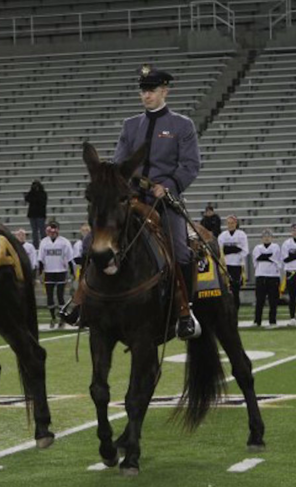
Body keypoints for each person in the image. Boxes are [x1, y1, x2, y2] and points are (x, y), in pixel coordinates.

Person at [112, 63, 201, 340]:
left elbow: (190, 165)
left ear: (165, 91)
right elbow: (119, 163)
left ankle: (186, 311)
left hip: (164, 201)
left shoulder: (182, 125)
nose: (146, 95)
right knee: (98, 241)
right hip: (133, 198)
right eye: (143, 91)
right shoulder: (130, 125)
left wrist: (169, 186)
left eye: (151, 90)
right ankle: (83, 303)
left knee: (180, 251)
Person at [38, 220, 74, 329]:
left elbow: (70, 258)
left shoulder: (64, 242)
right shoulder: (44, 242)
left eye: (54, 228)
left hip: (61, 272)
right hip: (48, 272)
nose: (52, 231)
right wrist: (40, 273)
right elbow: (40, 259)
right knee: (49, 296)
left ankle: (62, 319)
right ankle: (53, 317)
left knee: (60, 296)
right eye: (51, 229)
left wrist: (72, 272)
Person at [218, 215, 249, 314]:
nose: (230, 225)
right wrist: (234, 249)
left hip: (237, 265)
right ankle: (226, 312)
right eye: (228, 223)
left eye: (232, 223)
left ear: (236, 223)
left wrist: (229, 250)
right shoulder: (222, 235)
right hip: (225, 266)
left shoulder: (242, 234)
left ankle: (235, 312)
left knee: (235, 290)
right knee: (224, 290)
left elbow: (245, 250)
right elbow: (220, 251)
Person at [252, 229, 281, 328]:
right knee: (260, 300)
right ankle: (257, 321)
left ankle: (272, 321)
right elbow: (258, 258)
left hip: (273, 276)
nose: (266, 238)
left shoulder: (276, 247)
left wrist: (265, 257)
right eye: (264, 236)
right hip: (261, 275)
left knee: (273, 300)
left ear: (272, 237)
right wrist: (267, 257)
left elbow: (273, 258)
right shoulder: (257, 248)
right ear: (261, 238)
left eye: (268, 236)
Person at [24, 180, 47, 249]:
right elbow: (27, 199)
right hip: (32, 214)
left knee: (42, 231)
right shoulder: (31, 193)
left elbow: (42, 202)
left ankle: (44, 244)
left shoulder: (42, 193)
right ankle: (35, 245)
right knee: (34, 231)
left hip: (40, 214)